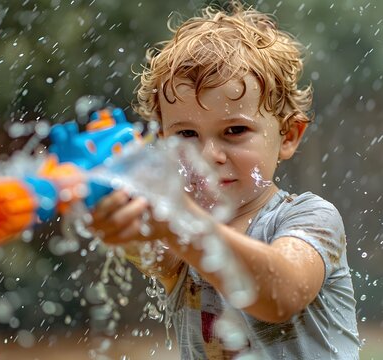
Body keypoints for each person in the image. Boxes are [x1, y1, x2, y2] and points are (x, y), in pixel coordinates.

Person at [90, 2, 360, 359]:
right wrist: (103, 202)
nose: (207, 156)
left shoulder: (309, 219)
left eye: (235, 130)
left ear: (289, 135)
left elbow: (280, 296)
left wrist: (178, 221)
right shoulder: (177, 246)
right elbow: (145, 237)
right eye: (186, 135)